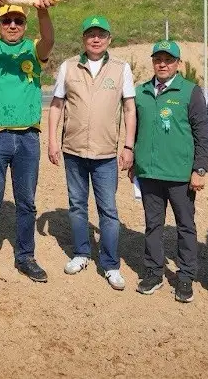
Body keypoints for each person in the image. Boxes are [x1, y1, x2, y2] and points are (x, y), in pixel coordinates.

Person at [0, 0, 55, 284]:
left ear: (24, 24)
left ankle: (25, 257)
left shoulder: (33, 49)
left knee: (27, 203)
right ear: (0, 25)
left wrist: (43, 9)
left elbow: (49, 40)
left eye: (18, 21)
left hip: (28, 138)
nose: (13, 26)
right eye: (7, 22)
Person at [47, 15, 136, 291]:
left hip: (106, 154)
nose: (96, 39)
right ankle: (82, 252)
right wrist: (52, 140)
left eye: (101, 34)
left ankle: (110, 264)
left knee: (108, 210)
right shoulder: (68, 67)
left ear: (109, 39)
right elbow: (56, 106)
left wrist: (128, 145)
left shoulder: (121, 69)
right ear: (83, 38)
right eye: (90, 34)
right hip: (73, 151)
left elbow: (130, 109)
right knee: (77, 206)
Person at [131, 40, 208, 302]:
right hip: (150, 172)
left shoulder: (190, 91)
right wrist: (133, 160)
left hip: (179, 174)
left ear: (178, 64)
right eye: (158, 59)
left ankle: (186, 276)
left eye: (168, 60)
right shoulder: (140, 91)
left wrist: (200, 167)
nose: (162, 64)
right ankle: (154, 271)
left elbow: (202, 133)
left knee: (185, 226)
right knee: (153, 225)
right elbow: (134, 130)